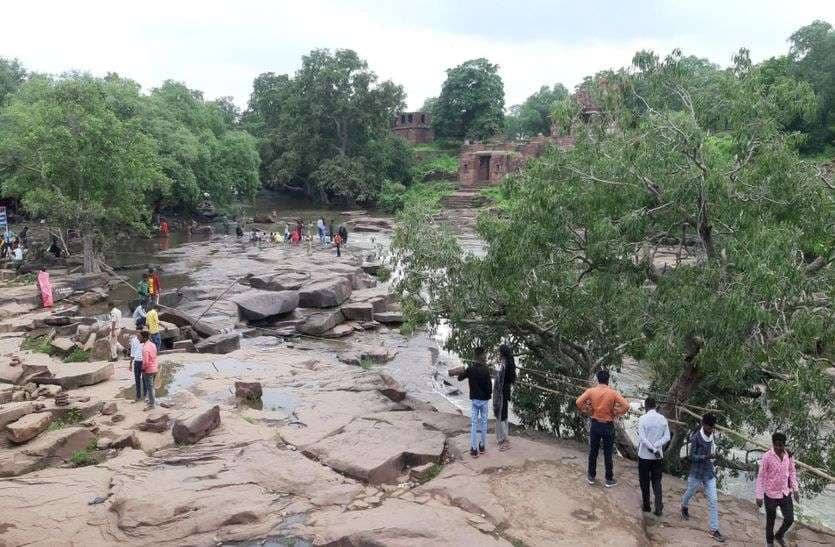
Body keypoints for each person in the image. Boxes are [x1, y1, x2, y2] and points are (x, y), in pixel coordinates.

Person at [575, 369, 629, 487]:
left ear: (598, 379)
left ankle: (591, 477)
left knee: (593, 452)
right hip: (608, 425)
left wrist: (587, 410)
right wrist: (616, 413)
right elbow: (626, 406)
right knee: (608, 453)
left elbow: (578, 402)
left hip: (595, 424)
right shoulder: (613, 393)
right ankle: (609, 479)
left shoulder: (591, 391)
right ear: (608, 380)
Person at [680, 413, 725, 543]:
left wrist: (714, 456)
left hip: (709, 473)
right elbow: (691, 456)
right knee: (690, 492)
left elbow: (712, 449)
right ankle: (683, 505)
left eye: (713, 428)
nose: (711, 430)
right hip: (696, 472)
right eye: (710, 427)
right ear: (704, 425)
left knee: (713, 500)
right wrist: (706, 457)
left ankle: (713, 529)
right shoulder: (696, 438)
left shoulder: (712, 436)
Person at [756, 432, 798, 547]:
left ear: (784, 445)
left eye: (781, 445)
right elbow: (761, 477)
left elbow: (792, 472)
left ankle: (779, 535)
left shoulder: (789, 456)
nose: (779, 448)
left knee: (789, 519)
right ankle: (769, 543)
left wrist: (795, 489)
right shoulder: (766, 457)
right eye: (777, 445)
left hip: (785, 492)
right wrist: (759, 496)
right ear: (773, 444)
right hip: (770, 494)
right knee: (770, 521)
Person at [457, 348, 492, 458]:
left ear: (475, 357)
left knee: (474, 424)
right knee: (484, 422)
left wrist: (462, 370)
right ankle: (482, 446)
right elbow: (490, 389)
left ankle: (473, 449)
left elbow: (459, 378)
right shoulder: (486, 371)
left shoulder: (470, 369)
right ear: (482, 357)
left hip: (475, 400)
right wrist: (487, 396)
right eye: (484, 355)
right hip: (484, 401)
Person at [638, 397, 670, 516]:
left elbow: (642, 438)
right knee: (657, 481)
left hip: (644, 456)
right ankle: (658, 507)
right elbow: (667, 437)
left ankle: (647, 506)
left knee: (644, 481)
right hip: (658, 457)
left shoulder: (642, 419)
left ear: (646, 407)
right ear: (655, 406)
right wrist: (656, 447)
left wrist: (651, 448)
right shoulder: (663, 419)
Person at [492, 344, 516, 451]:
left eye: (500, 352)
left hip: (502, 393)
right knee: (503, 415)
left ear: (503, 353)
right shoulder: (508, 362)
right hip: (505, 392)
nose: (499, 353)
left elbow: (501, 379)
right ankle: (502, 437)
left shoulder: (506, 364)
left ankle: (505, 440)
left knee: (501, 415)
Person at [140, 330, 158, 410]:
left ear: (144, 337)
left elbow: (146, 362)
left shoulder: (145, 348)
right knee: (152, 386)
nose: (139, 339)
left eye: (140, 337)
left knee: (149, 387)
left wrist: (142, 369)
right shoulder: (153, 344)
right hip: (154, 367)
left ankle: (151, 404)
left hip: (149, 370)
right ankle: (152, 401)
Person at [128, 331, 144, 402]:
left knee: (144, 379)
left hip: (144, 361)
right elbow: (132, 352)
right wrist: (130, 364)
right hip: (137, 361)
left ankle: (145, 396)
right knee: (137, 380)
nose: (138, 334)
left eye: (139, 333)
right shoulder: (133, 340)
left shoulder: (145, 340)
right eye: (137, 332)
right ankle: (138, 396)